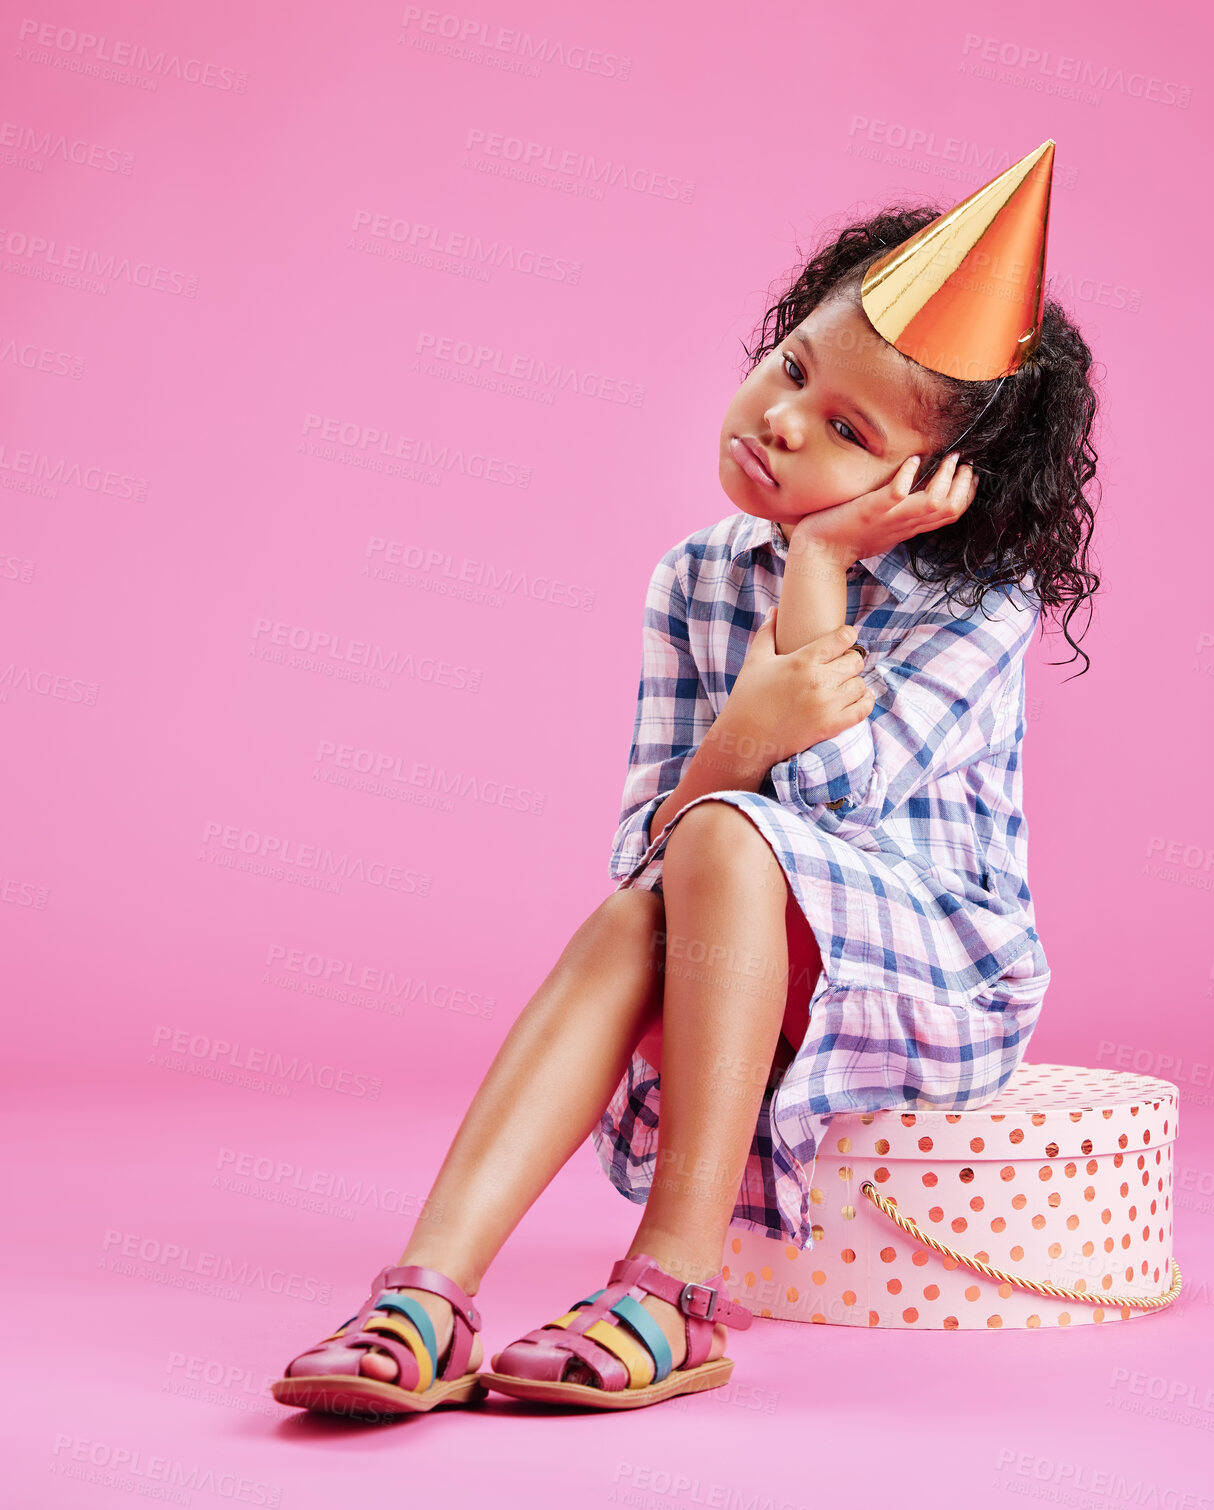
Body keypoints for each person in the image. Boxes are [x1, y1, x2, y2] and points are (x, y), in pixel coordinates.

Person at [272, 140, 1102, 1417]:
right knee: (636, 905)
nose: (779, 419)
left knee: (722, 840)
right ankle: (426, 1292)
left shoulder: (974, 607)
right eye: (791, 369)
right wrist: (744, 728)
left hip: (940, 970)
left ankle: (674, 1285)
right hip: (734, 936)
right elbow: (649, 862)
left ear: (934, 487)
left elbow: (827, 815)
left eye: (844, 429)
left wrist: (821, 565)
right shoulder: (698, 577)